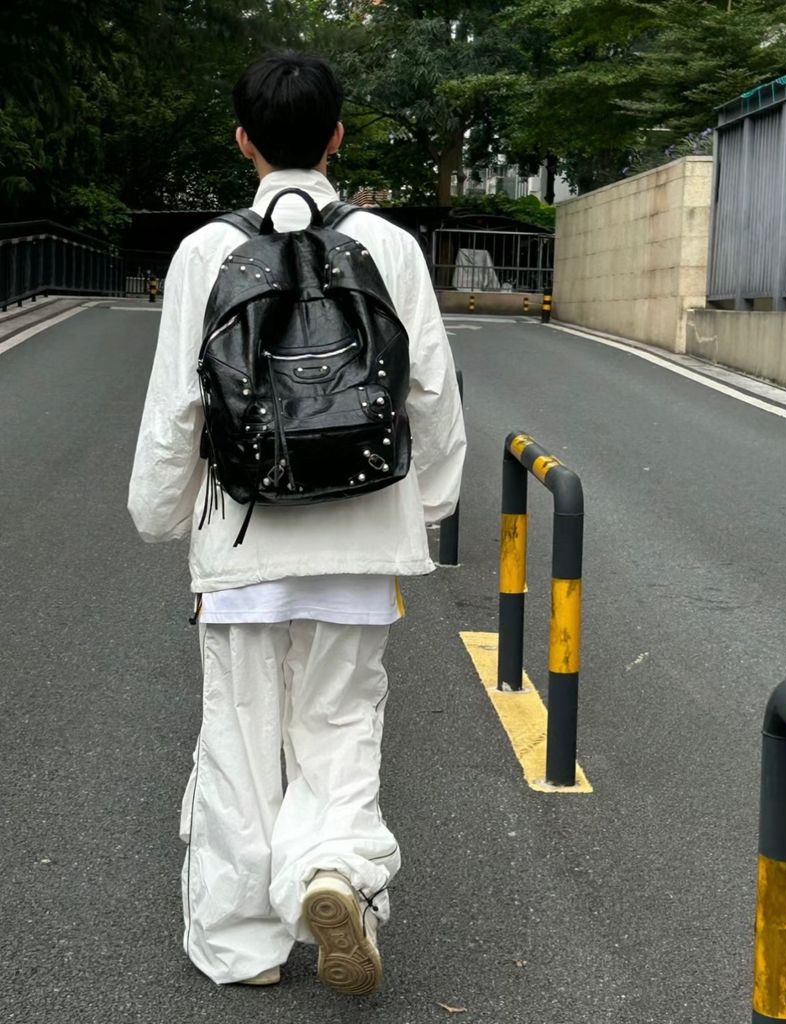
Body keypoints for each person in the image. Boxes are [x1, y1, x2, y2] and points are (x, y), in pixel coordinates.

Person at [127, 50, 465, 993]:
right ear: (336, 138)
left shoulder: (205, 252)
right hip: (360, 539)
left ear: (243, 141)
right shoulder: (389, 246)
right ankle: (333, 871)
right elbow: (432, 393)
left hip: (242, 541)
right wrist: (422, 509)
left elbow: (177, 405)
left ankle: (243, 947)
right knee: (342, 723)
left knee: (238, 739)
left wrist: (161, 513)